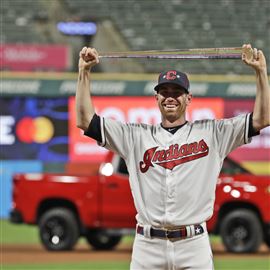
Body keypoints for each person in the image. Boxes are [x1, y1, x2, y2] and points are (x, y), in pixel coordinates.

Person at [75, 44, 270, 270]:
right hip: (147, 247)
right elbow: (85, 120)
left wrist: (260, 72)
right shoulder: (134, 136)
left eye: (177, 92)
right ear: (156, 98)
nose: (170, 97)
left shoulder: (213, 133)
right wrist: (84, 72)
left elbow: (262, 119)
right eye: (164, 92)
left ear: (188, 99)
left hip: (193, 244)